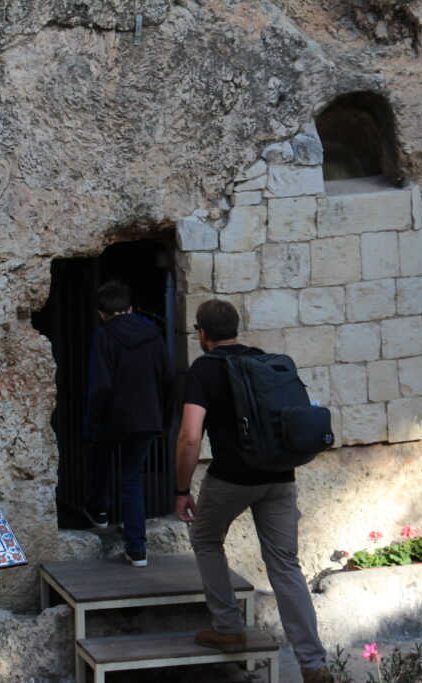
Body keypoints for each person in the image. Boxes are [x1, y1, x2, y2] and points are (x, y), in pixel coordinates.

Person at [174, 299, 332, 683]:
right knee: (285, 566)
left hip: (231, 478)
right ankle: (315, 666)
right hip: (280, 477)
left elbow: (190, 437)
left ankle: (228, 627)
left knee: (206, 539)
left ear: (202, 334)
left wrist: (182, 489)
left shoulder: (203, 370)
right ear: (236, 328)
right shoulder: (264, 361)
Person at [82, 280, 174, 568]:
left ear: (101, 312)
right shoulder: (154, 334)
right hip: (148, 418)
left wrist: (92, 424)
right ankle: (137, 549)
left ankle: (99, 511)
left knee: (100, 456)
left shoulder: (104, 336)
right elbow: (169, 377)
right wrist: (164, 421)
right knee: (131, 478)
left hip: (114, 418)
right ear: (130, 309)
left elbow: (101, 385)